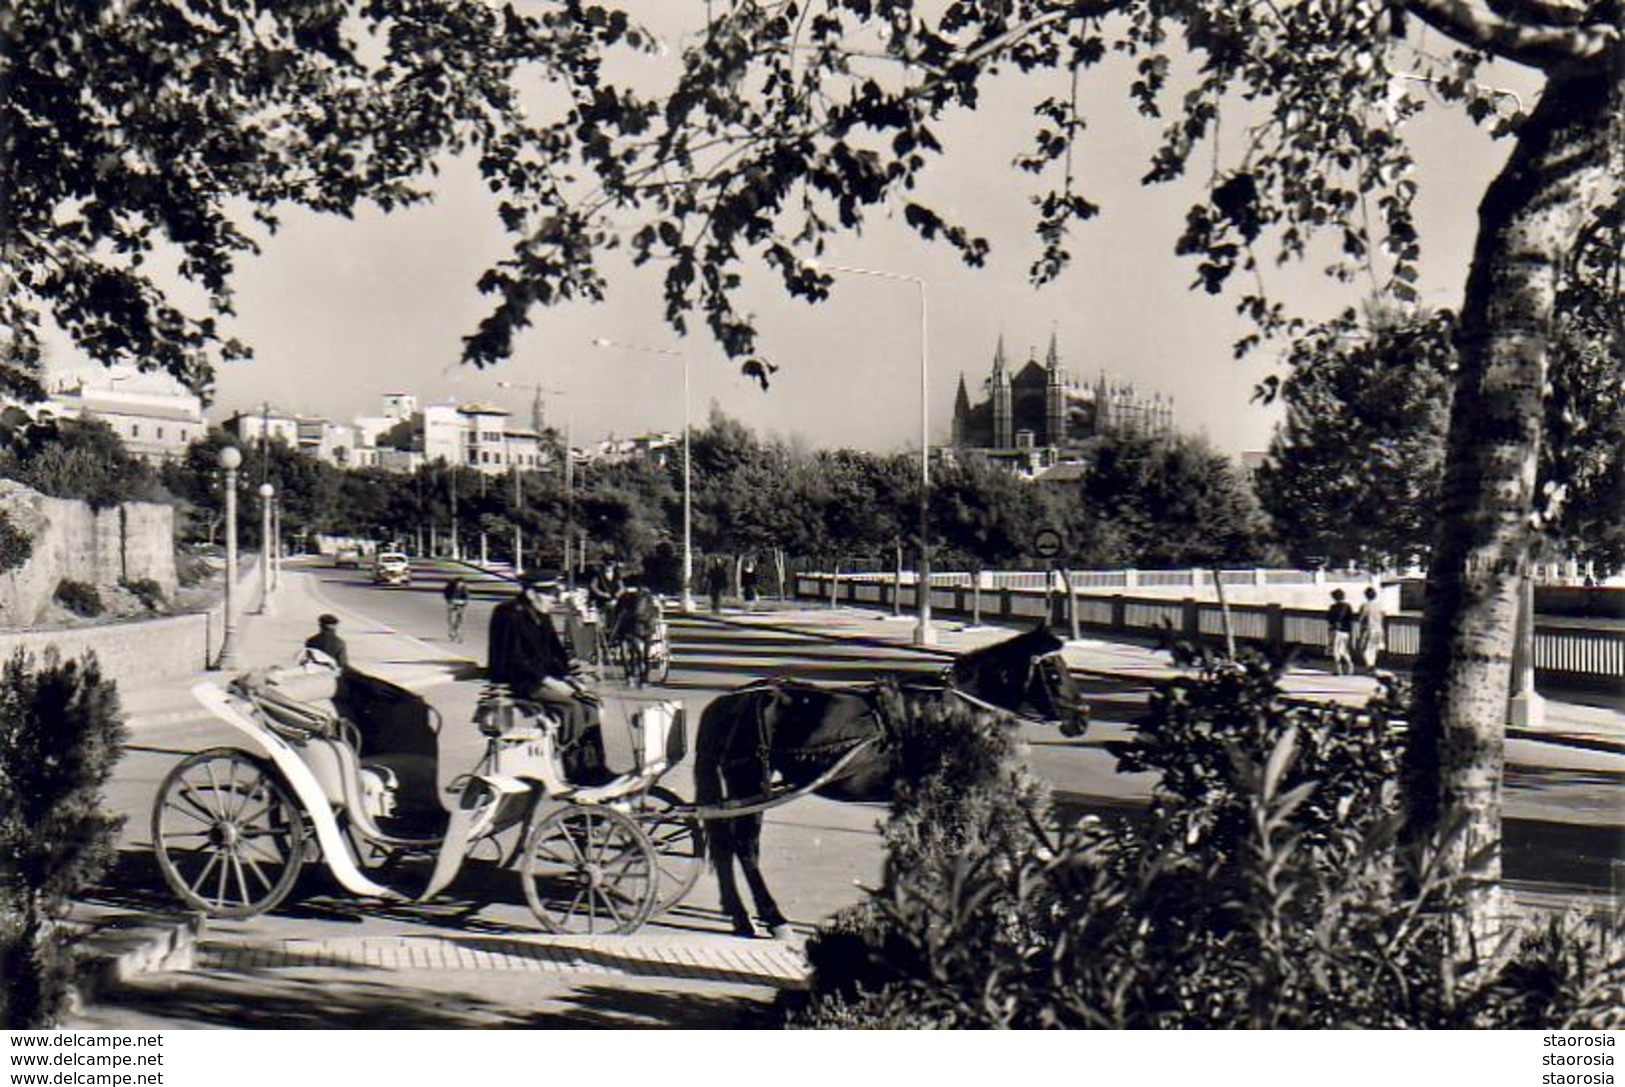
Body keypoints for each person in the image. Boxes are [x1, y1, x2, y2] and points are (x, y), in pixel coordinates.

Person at [486, 573, 610, 785]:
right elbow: (514, 659)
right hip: (520, 682)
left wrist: (570, 678)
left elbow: (555, 653)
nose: (554, 599)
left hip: (542, 679)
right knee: (572, 709)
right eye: (549, 594)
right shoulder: (508, 614)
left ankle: (596, 768)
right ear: (531, 593)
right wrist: (551, 682)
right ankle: (577, 774)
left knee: (591, 706)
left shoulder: (541, 614)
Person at [1354, 585, 1386, 673]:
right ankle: (1372, 664)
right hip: (1379, 629)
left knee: (1364, 648)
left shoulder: (1365, 606)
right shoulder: (1380, 605)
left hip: (1368, 629)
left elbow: (1361, 618)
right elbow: (1383, 616)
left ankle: (1370, 665)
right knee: (1374, 648)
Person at [1325, 589, 1356, 676]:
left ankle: (1338, 669)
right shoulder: (1348, 606)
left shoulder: (1333, 607)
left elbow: (1329, 618)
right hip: (1346, 631)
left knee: (1335, 650)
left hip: (1335, 630)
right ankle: (1350, 666)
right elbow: (1350, 619)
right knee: (1344, 650)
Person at [442, 576, 470, 642]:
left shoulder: (464, 588)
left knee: (460, 617)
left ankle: (457, 629)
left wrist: (464, 603)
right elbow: (446, 595)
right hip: (452, 602)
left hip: (460, 603)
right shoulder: (450, 587)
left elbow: (466, 596)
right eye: (459, 583)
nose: (460, 584)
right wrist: (449, 601)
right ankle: (451, 630)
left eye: (461, 583)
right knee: (451, 617)